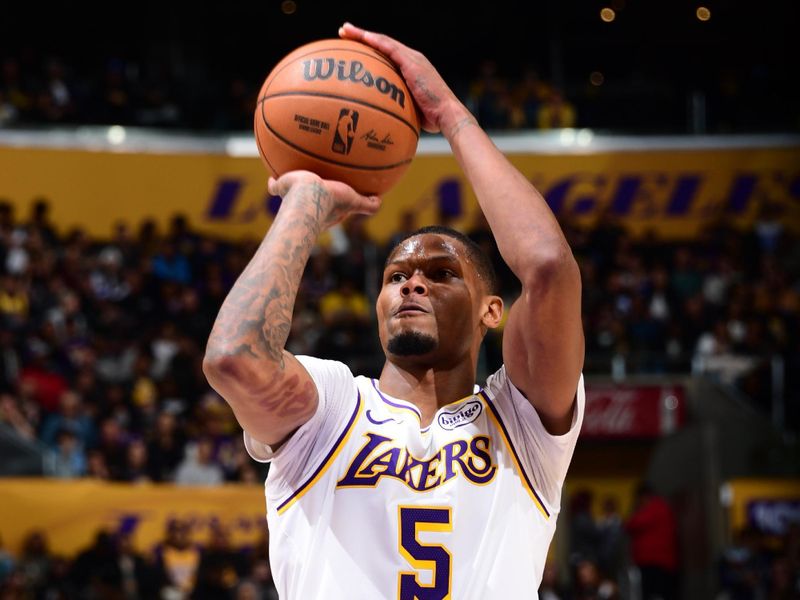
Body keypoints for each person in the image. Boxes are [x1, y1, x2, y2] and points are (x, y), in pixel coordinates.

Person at [203, 22, 585, 599]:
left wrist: (452, 117)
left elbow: (549, 268)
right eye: (396, 277)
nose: (412, 285)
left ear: (491, 311)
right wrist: (306, 202)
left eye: (440, 274)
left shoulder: (522, 424)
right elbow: (233, 358)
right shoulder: (332, 408)